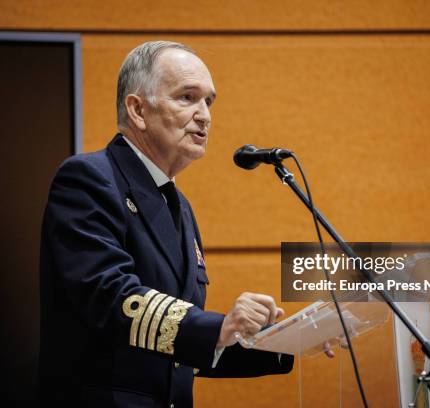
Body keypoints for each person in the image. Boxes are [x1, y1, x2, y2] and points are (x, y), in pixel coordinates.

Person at [38, 41, 294, 408]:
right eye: (188, 97)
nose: (205, 115)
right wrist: (216, 327)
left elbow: (176, 352)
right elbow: (111, 297)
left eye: (209, 101)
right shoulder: (88, 178)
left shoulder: (179, 206)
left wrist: (287, 340)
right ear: (138, 109)